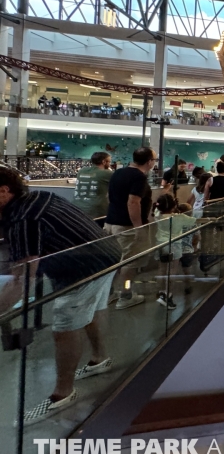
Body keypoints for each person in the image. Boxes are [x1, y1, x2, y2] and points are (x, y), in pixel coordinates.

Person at [0, 169, 122, 424]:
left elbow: (23, 278)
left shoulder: (24, 218)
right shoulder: (38, 198)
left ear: (4, 191)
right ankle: (100, 358)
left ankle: (63, 394)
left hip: (83, 269)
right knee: (91, 310)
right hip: (107, 253)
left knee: (64, 327)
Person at [104, 146, 157, 309]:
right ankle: (125, 295)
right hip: (126, 227)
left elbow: (109, 196)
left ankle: (109, 293)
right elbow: (133, 202)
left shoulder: (118, 173)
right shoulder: (139, 177)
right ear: (149, 162)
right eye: (154, 160)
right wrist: (138, 227)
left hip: (110, 223)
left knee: (113, 260)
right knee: (129, 263)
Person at [153, 194, 198, 309]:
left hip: (160, 244)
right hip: (174, 246)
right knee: (172, 271)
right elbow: (193, 221)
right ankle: (168, 296)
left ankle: (160, 292)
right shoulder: (179, 218)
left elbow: (157, 209)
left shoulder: (157, 215)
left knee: (162, 269)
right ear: (173, 206)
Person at [72, 151, 113, 221]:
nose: (110, 164)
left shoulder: (81, 171)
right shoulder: (107, 173)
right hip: (96, 211)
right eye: (109, 161)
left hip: (76, 207)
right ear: (104, 162)